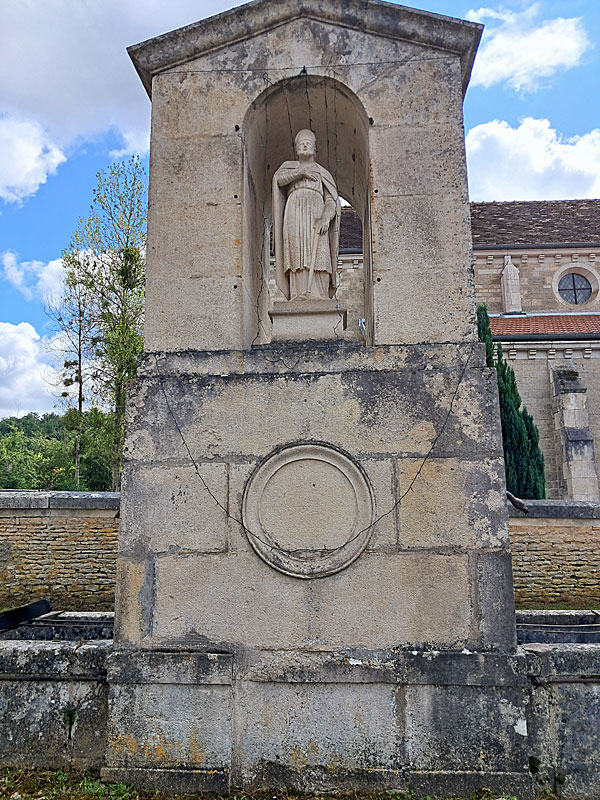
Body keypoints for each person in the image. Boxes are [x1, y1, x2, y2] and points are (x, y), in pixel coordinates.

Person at [272, 129, 341, 301]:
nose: (304, 145)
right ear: (296, 149)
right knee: (297, 250)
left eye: (308, 144)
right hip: (294, 211)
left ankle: (320, 294)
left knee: (319, 251)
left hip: (316, 212)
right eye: (301, 144)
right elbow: (279, 180)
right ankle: (298, 292)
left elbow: (331, 200)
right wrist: (300, 172)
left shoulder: (322, 172)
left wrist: (326, 217)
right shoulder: (289, 167)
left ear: (315, 149)